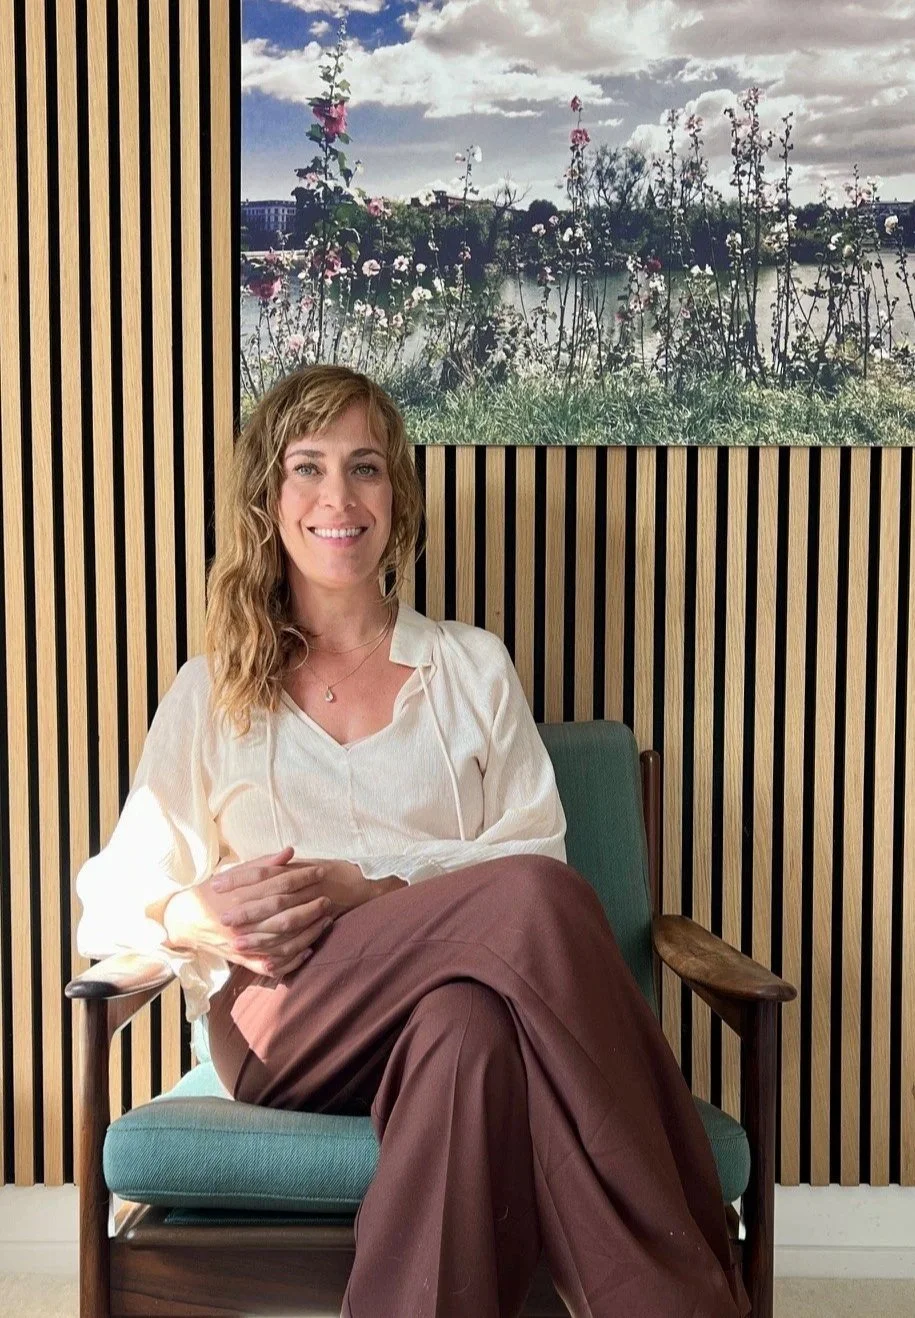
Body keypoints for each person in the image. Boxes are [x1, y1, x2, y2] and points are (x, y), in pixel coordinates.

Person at [75, 363, 751, 1318]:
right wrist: (191, 912)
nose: (337, 499)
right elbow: (108, 900)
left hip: (452, 1006)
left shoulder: (470, 667)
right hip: (283, 1018)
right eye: (305, 469)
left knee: (468, 1031)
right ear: (268, 499)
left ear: (398, 494)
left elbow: (537, 854)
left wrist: (374, 889)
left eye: (365, 468)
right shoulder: (212, 688)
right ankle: (677, 1293)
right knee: (534, 901)